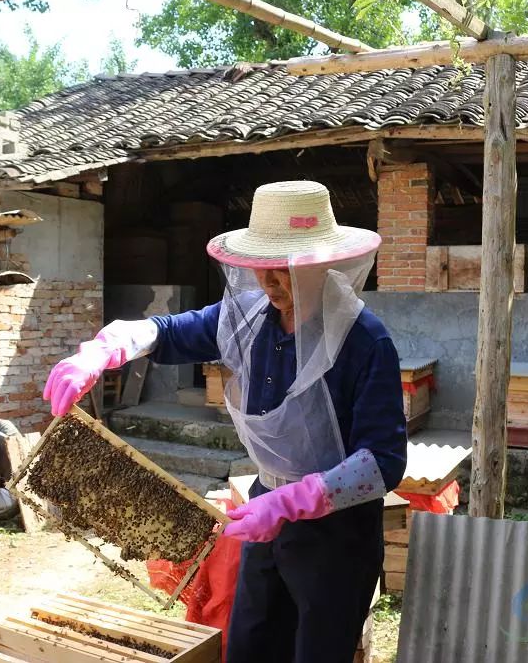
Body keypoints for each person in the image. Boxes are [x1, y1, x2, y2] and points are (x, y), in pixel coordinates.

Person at [43, 181, 407, 663]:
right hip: (265, 515)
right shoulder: (250, 317)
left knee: (319, 652)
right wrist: (109, 347)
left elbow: (382, 462)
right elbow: (170, 329)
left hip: (337, 535)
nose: (269, 282)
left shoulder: (365, 341)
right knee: (251, 645)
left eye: (284, 268)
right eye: (260, 268)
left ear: (323, 262)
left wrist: (294, 501)